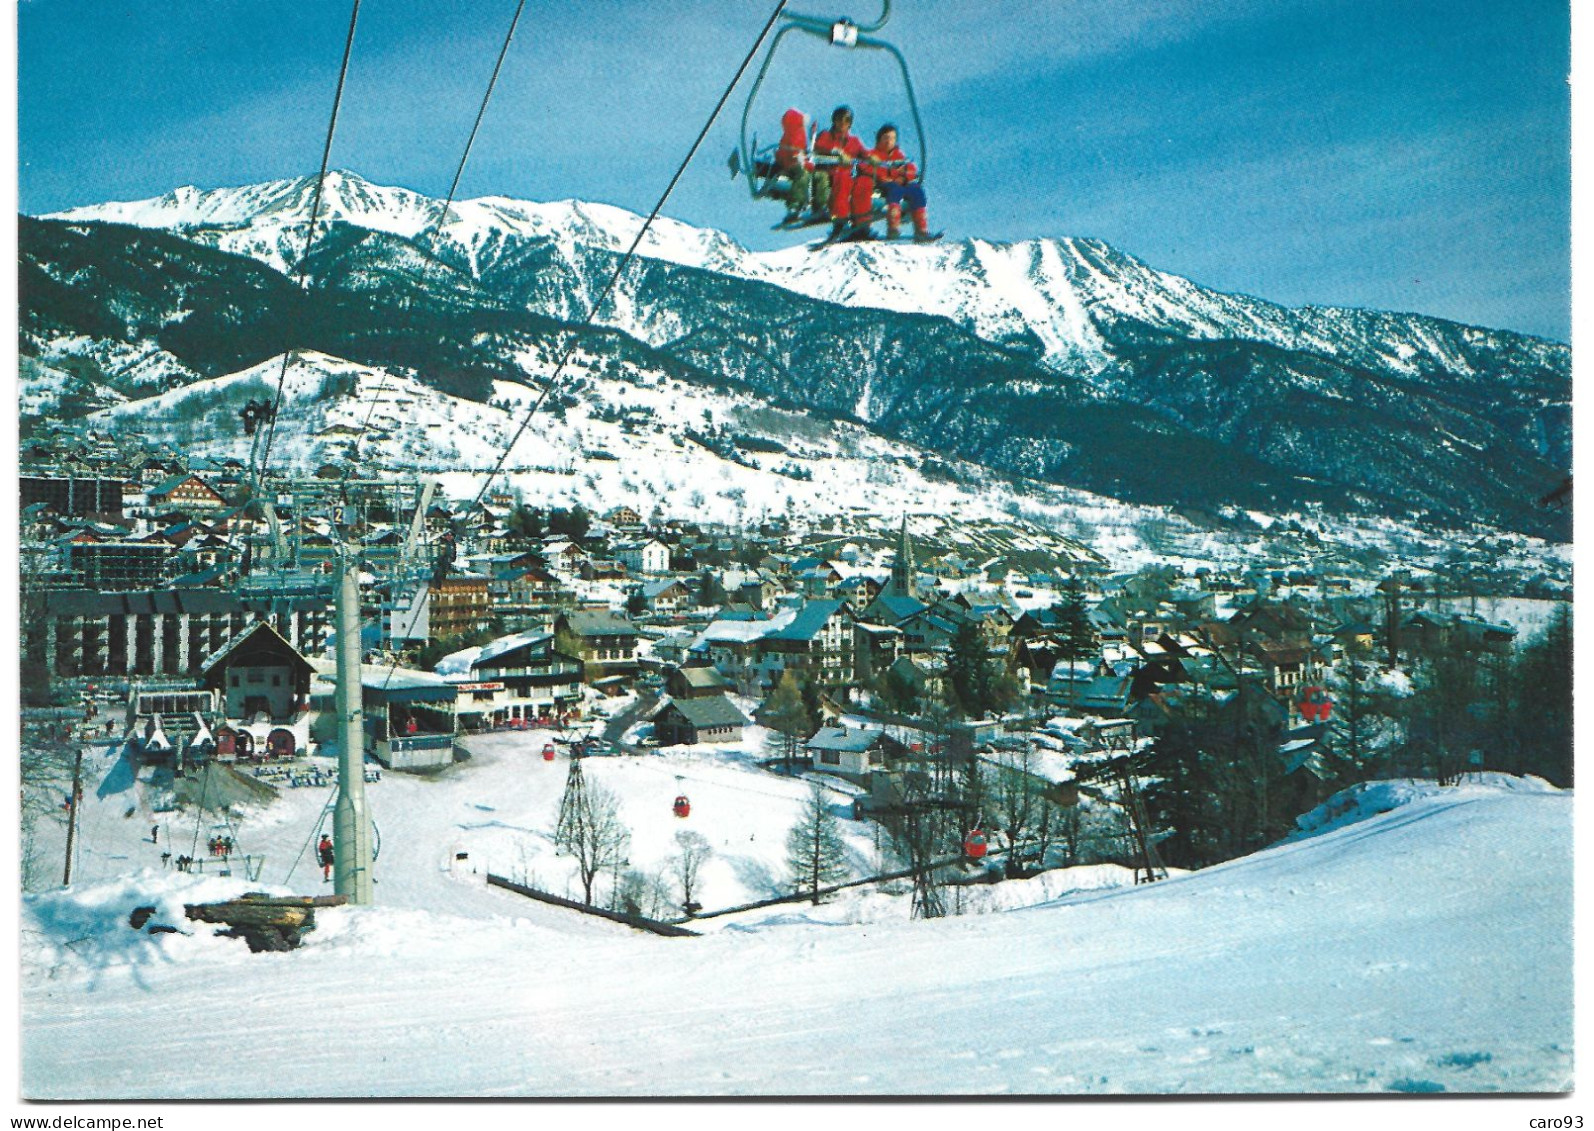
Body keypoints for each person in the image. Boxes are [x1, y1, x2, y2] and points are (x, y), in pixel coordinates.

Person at [862, 123, 940, 243]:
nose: (889, 142)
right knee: (895, 191)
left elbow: (911, 169)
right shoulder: (873, 155)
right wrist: (882, 175)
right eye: (886, 138)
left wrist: (904, 175)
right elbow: (865, 167)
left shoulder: (898, 155)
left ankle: (921, 229)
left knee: (917, 190)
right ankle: (893, 227)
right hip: (885, 184)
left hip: (901, 183)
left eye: (892, 138)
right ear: (880, 139)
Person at [813, 106, 873, 241]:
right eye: (839, 119)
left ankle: (862, 224)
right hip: (830, 174)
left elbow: (864, 154)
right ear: (834, 120)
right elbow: (819, 147)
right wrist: (836, 152)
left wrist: (872, 158)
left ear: (850, 123)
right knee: (843, 180)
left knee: (863, 184)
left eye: (846, 120)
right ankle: (840, 221)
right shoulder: (826, 136)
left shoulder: (854, 141)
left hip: (847, 175)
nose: (842, 123)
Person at [774, 108, 829, 225]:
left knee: (821, 176)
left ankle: (820, 205)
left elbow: (801, 153)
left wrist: (806, 161)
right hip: (791, 166)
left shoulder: (800, 134)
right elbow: (795, 155)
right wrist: (805, 163)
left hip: (798, 164)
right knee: (803, 174)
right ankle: (795, 205)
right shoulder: (791, 135)